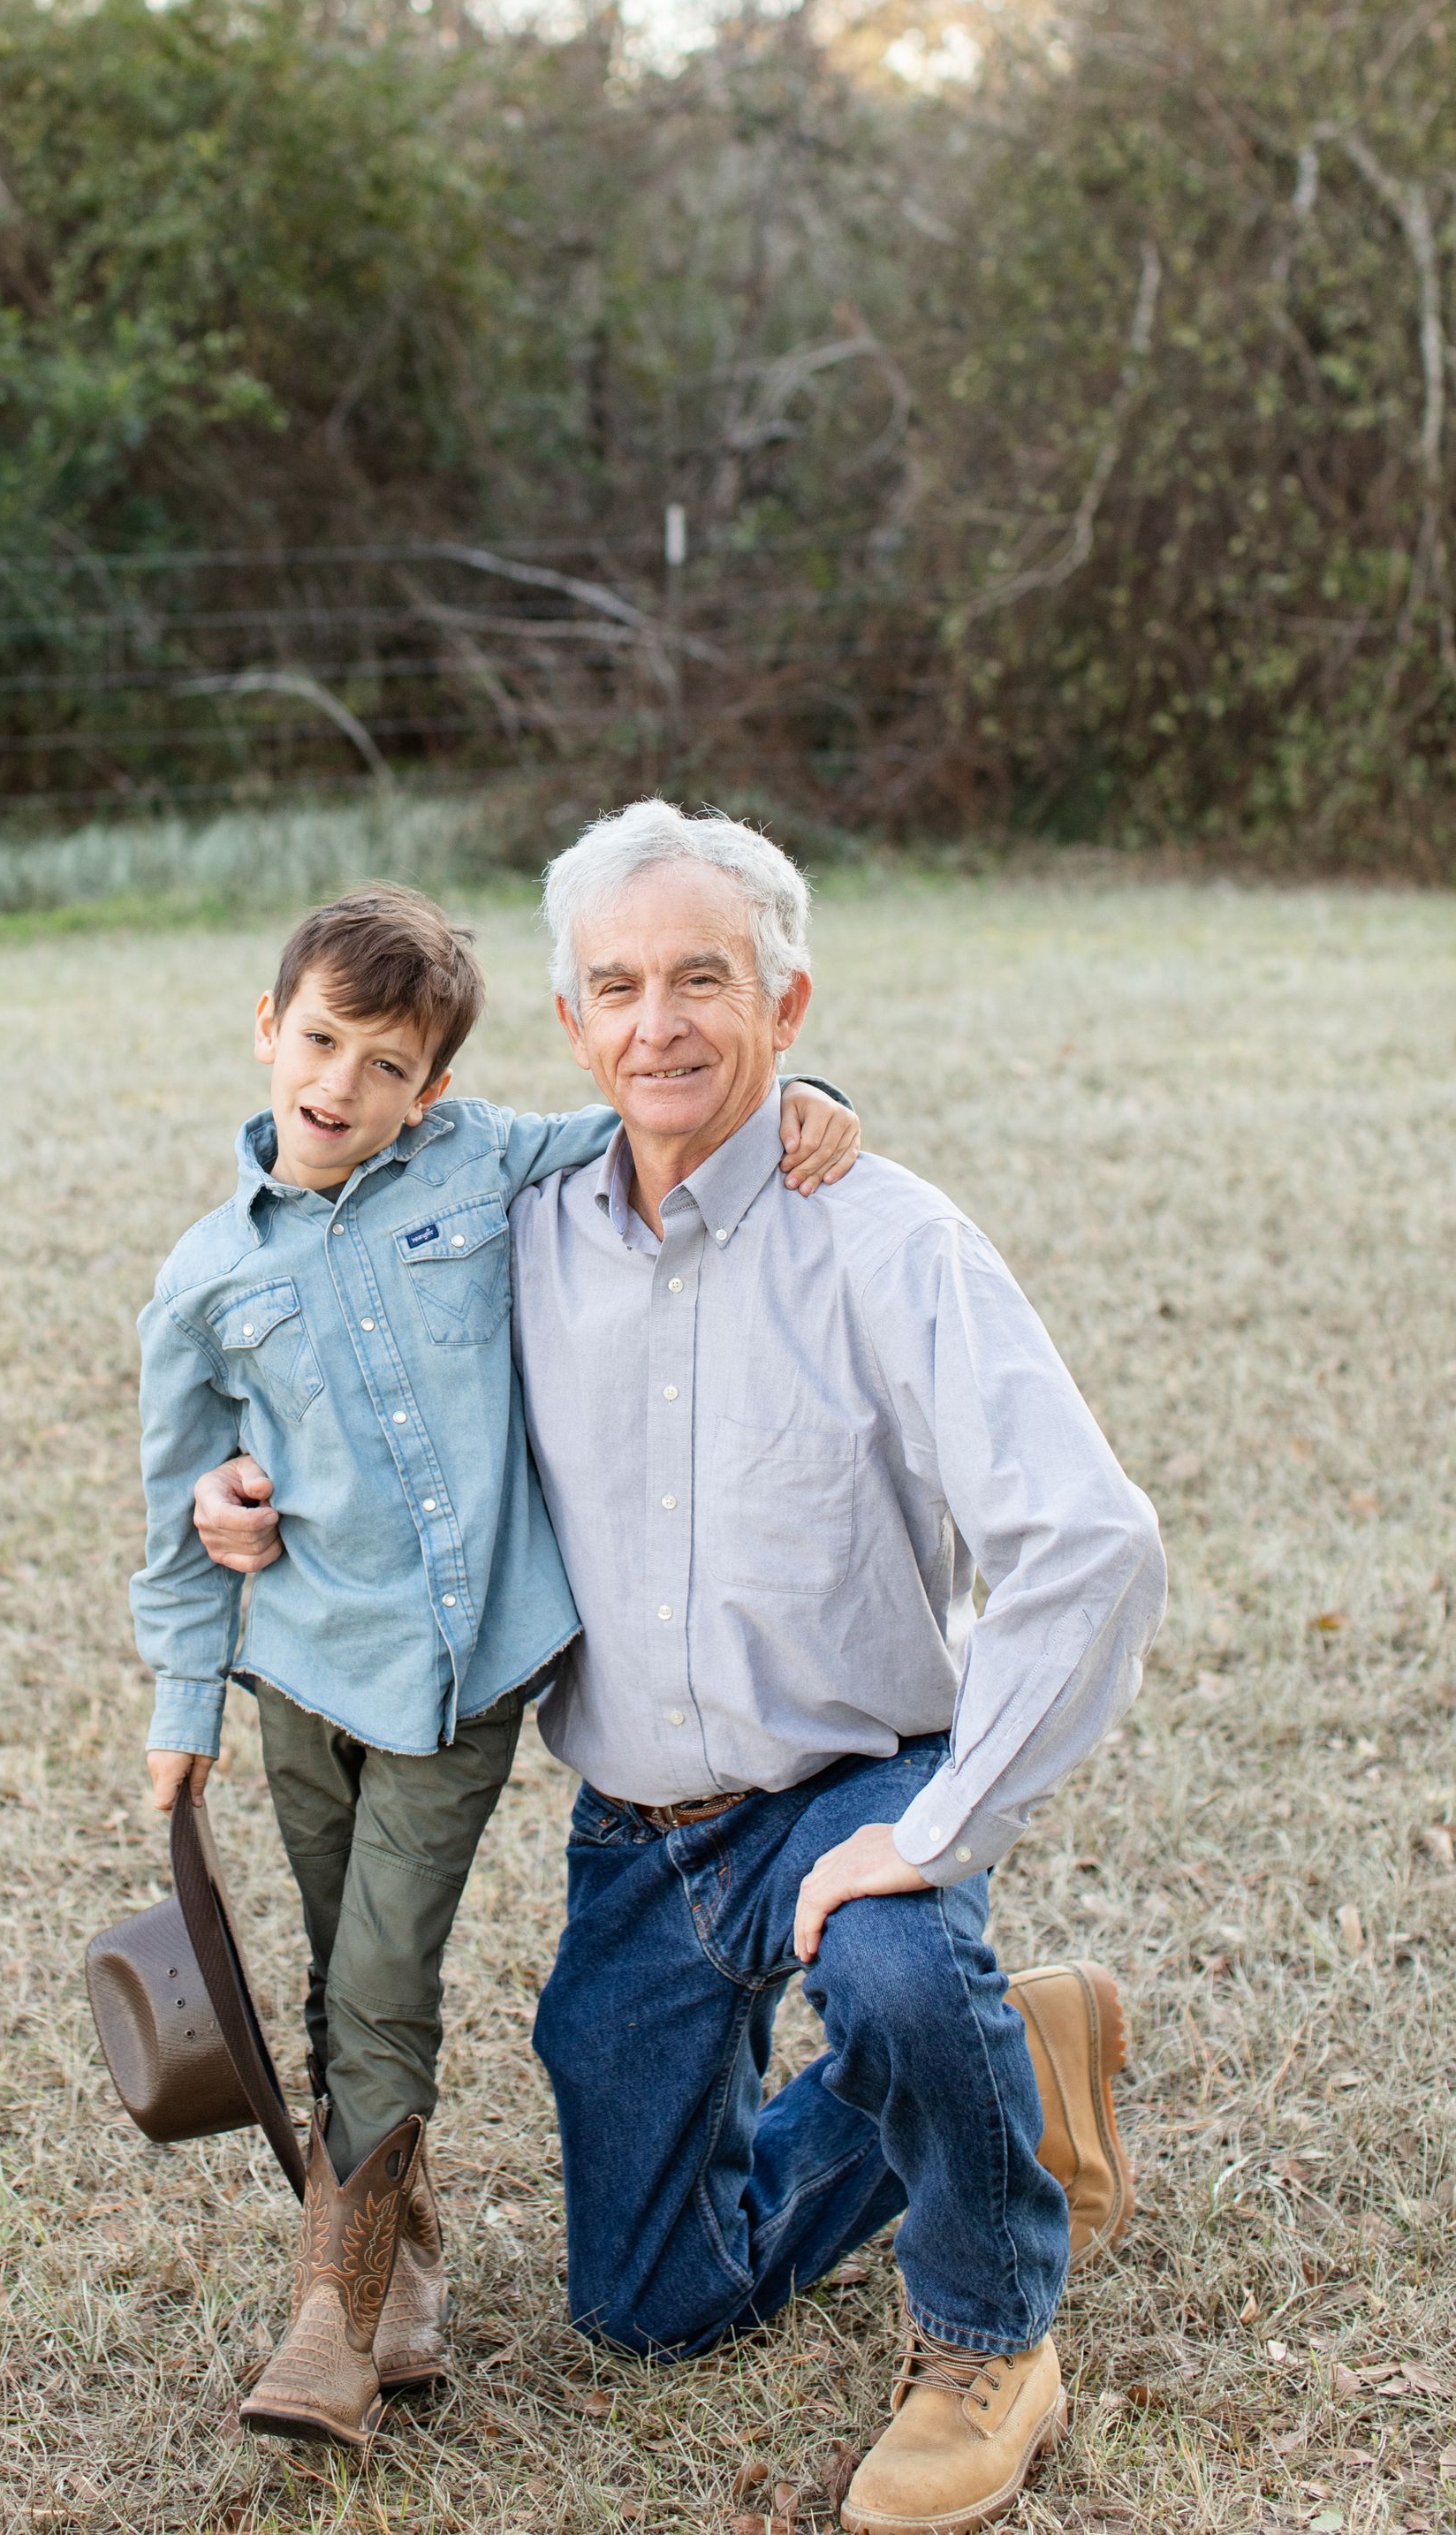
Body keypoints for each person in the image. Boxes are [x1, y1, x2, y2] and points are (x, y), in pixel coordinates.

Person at [193, 806, 1166, 2534]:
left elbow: (1088, 1542)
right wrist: (235, 1483)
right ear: (572, 1025)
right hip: (636, 1832)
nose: (660, 1024)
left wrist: (938, 1826)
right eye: (620, 987)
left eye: (704, 981)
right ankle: (1009, 2059)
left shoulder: (883, 1235)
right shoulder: (508, 1226)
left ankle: (987, 2330)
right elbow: (330, 1305)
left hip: (852, 1780)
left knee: (888, 1963)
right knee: (648, 2305)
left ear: (785, 1004)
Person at [131, 881, 861, 2453]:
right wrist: (183, 1701)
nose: (342, 1084)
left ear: (436, 1085)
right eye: (320, 1041)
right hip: (300, 1676)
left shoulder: (483, 1161)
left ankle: (330, 2319)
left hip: (459, 1680)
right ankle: (401, 2262)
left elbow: (654, 1114)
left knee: (381, 1978)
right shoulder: (200, 1279)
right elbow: (179, 1505)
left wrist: (798, 1093)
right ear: (268, 1029)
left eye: (387, 1064)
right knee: (340, 1974)